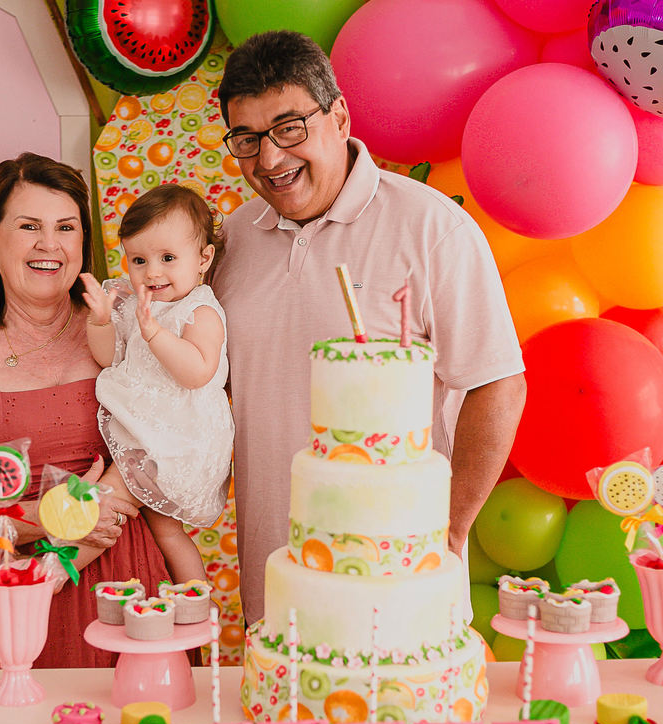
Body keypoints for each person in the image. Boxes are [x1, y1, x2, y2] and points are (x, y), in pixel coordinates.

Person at [211, 31, 528, 627]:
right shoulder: (231, 241)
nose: (269, 160)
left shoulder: (431, 228)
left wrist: (447, 532)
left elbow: (498, 383)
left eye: (289, 128)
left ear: (338, 117)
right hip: (276, 579)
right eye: (247, 139)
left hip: (400, 578)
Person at [0, 153, 174, 682]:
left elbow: (176, 428)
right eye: (29, 227)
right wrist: (60, 517)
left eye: (66, 228)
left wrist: (110, 498)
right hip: (25, 598)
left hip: (130, 583)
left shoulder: (129, 332)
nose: (50, 244)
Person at [79, 183, 233, 585]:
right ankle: (198, 602)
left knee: (103, 501)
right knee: (167, 533)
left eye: (167, 258)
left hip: (177, 439)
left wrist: (155, 334)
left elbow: (197, 371)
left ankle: (51, 572)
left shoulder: (199, 311)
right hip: (145, 430)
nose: (152, 272)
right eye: (139, 260)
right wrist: (100, 321)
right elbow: (107, 357)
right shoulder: (138, 304)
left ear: (203, 259)